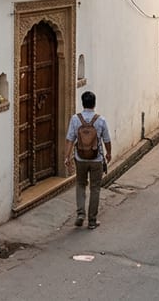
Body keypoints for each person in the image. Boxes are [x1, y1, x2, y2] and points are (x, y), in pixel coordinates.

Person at [64, 91, 112, 230]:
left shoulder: (75, 119)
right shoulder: (100, 120)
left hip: (80, 158)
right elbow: (107, 140)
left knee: (80, 184)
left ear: (82, 103)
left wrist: (67, 156)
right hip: (96, 159)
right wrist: (108, 153)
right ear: (94, 103)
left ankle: (80, 214)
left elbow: (70, 139)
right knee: (95, 188)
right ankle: (92, 220)